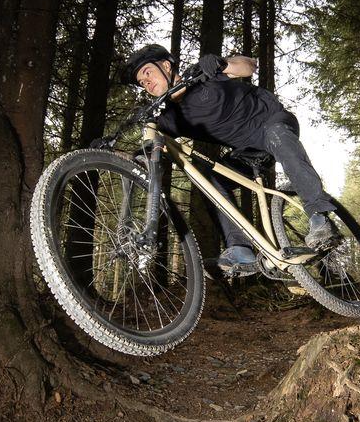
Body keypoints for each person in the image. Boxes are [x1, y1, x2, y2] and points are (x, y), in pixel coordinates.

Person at [117, 44, 338, 275]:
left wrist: (223, 63)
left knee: (276, 134)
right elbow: (149, 152)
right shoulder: (171, 118)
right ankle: (240, 248)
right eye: (142, 82)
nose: (146, 82)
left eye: (148, 73)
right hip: (248, 151)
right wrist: (113, 150)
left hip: (273, 122)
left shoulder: (202, 75)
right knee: (212, 180)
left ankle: (319, 216)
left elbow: (249, 66)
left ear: (166, 65)